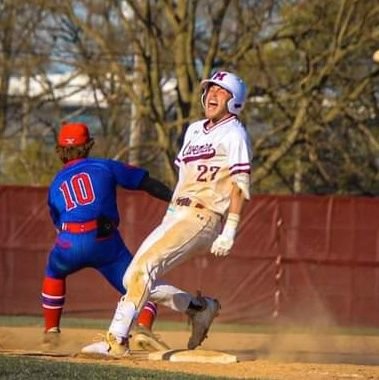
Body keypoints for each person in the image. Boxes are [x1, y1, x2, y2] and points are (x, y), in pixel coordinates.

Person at [81, 70, 252, 357]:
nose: (212, 94)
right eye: (210, 89)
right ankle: (199, 308)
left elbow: (240, 185)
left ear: (235, 100)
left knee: (142, 270)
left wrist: (230, 229)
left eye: (221, 91)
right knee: (131, 277)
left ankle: (116, 340)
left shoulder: (235, 132)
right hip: (177, 212)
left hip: (203, 214)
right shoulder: (195, 129)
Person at [42, 121, 175, 351]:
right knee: (139, 283)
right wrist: (175, 200)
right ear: (88, 145)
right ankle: (143, 327)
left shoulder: (56, 183)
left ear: (59, 150)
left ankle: (51, 332)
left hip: (68, 242)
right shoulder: (104, 166)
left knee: (53, 273)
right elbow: (146, 183)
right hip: (104, 241)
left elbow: (57, 222)